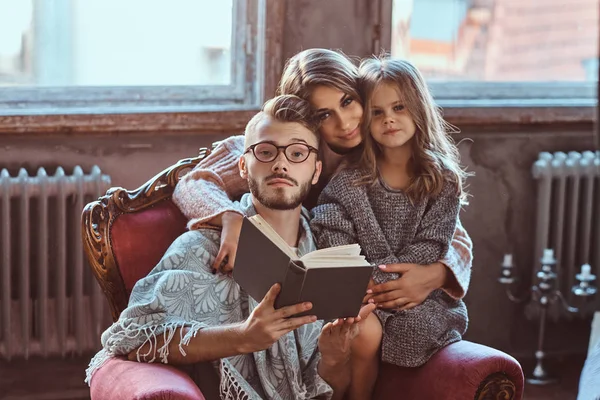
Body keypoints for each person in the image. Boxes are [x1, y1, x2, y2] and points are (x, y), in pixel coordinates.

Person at [85, 95, 375, 400]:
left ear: (316, 171)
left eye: (297, 153)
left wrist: (335, 357)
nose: (280, 163)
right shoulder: (201, 247)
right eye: (265, 152)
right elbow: (130, 341)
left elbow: (333, 390)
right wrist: (242, 338)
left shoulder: (327, 256)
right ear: (243, 166)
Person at [310, 56, 470, 398]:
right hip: (363, 291)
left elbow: (436, 241)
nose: (389, 119)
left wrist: (398, 284)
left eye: (399, 107)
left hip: (417, 295)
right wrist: (370, 283)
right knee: (362, 329)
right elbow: (333, 234)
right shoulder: (348, 182)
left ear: (418, 108)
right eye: (377, 112)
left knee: (413, 327)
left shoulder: (442, 180)